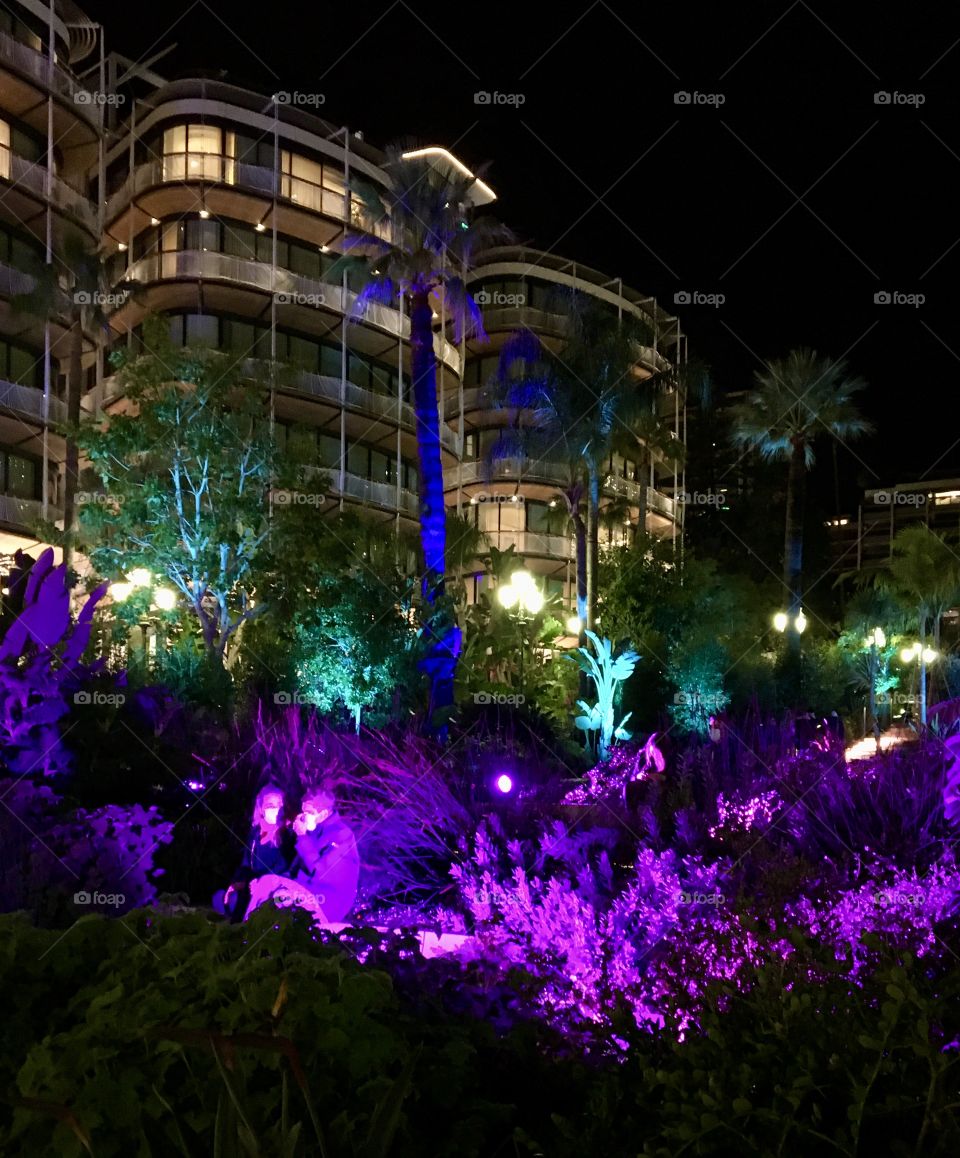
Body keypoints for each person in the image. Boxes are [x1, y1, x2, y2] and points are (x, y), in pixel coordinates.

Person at [217, 784, 295, 922]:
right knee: (222, 897)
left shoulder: (286, 834)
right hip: (252, 885)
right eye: (270, 805)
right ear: (261, 809)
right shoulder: (255, 834)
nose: (276, 809)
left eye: (279, 805)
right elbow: (246, 863)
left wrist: (259, 882)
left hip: (275, 889)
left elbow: (284, 867)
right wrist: (236, 882)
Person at [290, 788, 360, 923]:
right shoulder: (315, 831)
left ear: (324, 813)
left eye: (309, 812)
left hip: (327, 901)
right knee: (268, 893)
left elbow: (321, 872)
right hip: (306, 892)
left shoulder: (342, 835)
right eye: (303, 811)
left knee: (276, 904)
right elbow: (297, 869)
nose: (304, 817)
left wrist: (302, 837)